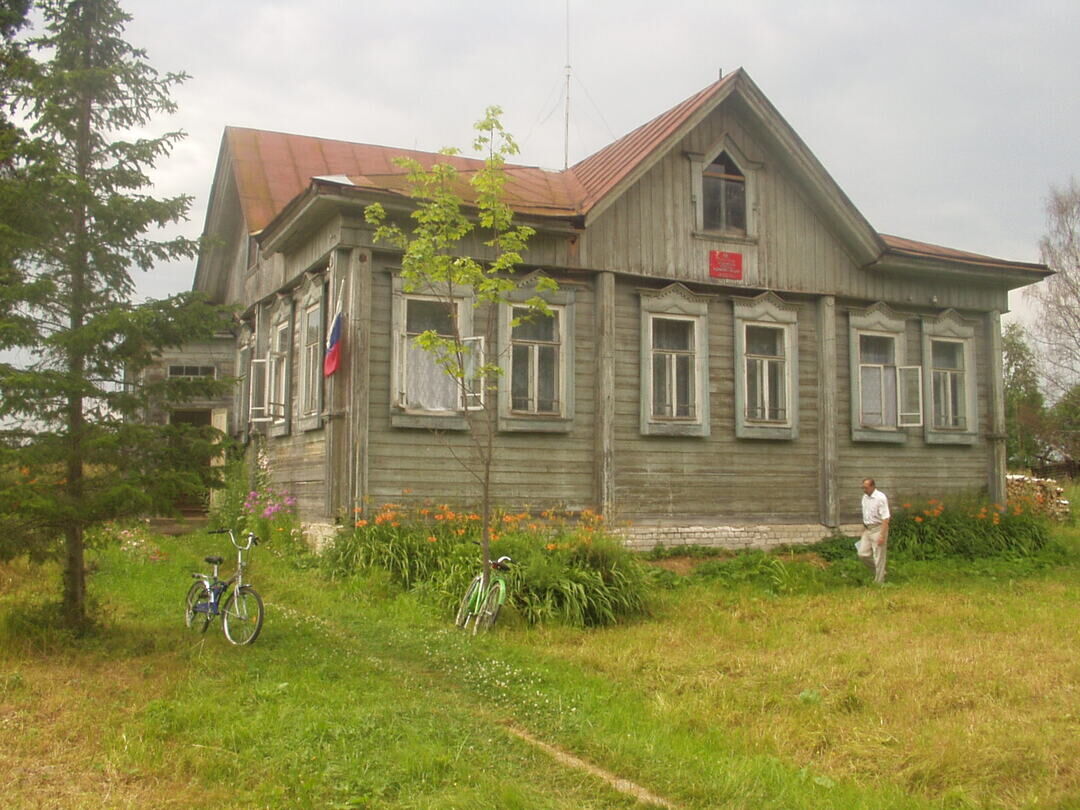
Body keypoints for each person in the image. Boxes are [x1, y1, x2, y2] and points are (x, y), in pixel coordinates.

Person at [857, 478, 890, 584]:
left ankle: (879, 582)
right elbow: (865, 515)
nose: (864, 490)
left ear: (872, 486)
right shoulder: (864, 497)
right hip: (868, 529)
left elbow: (886, 518)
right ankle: (880, 571)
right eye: (863, 487)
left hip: (878, 528)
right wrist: (863, 530)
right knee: (862, 553)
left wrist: (882, 535)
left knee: (879, 556)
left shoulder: (881, 498)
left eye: (866, 487)